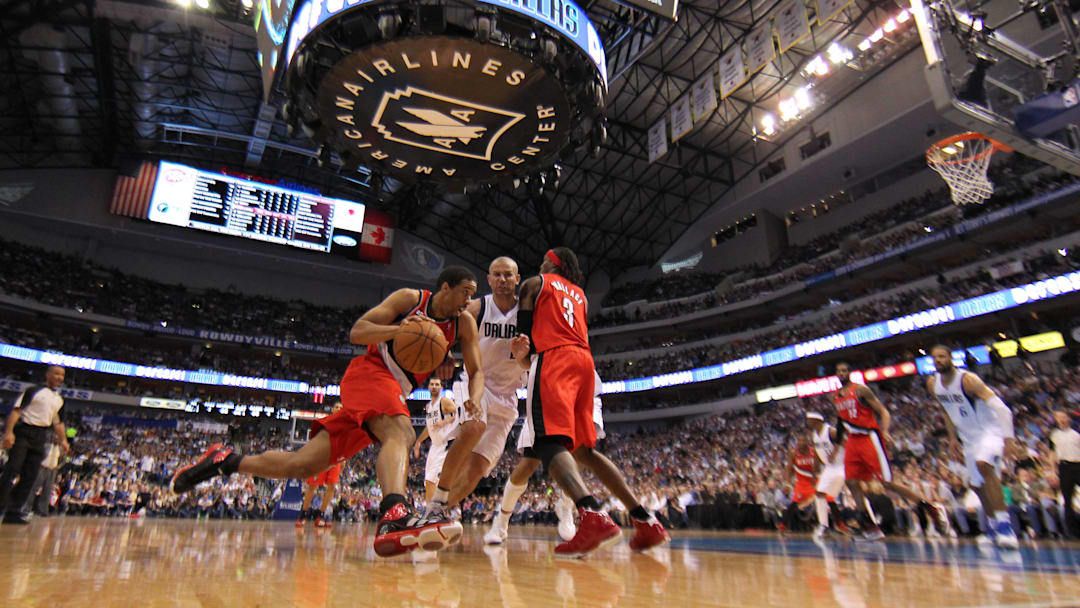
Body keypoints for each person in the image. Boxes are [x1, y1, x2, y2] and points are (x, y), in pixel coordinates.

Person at [170, 267, 485, 557]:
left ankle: (226, 460)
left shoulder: (463, 323)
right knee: (401, 432)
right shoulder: (410, 299)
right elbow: (357, 332)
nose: (469, 300)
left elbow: (476, 370)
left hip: (389, 393)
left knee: (300, 465)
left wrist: (474, 398)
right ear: (445, 287)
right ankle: (394, 514)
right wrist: (399, 330)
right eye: (466, 292)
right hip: (369, 374)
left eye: (473, 295)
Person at [511, 247, 621, 557]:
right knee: (576, 446)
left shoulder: (536, 283)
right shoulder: (581, 295)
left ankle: (591, 514)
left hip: (556, 358)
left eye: (545, 259)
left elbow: (525, 330)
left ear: (552, 263)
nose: (541, 262)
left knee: (546, 441)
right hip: (585, 363)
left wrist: (522, 343)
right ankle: (592, 517)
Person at [484, 369, 668, 551]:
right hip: (577, 373)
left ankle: (575, 507)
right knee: (560, 456)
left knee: (559, 449)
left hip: (557, 374)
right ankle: (643, 519)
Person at [436, 257, 529, 508]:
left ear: (517, 279)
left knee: (477, 468)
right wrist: (445, 353)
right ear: (489, 279)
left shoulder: (527, 314)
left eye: (508, 275)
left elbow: (532, 362)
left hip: (509, 395)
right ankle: (436, 499)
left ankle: (439, 512)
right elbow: (445, 327)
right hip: (477, 383)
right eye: (496, 274)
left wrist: (524, 357)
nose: (502, 279)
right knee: (473, 427)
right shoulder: (478, 308)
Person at [830, 361, 943, 540]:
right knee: (851, 482)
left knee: (887, 484)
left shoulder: (860, 390)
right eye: (839, 371)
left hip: (870, 437)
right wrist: (836, 448)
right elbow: (841, 423)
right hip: (852, 441)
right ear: (836, 374)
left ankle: (927, 506)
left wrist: (885, 430)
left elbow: (883, 412)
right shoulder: (834, 396)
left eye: (845, 370)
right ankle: (869, 526)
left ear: (850, 373)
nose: (842, 373)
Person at [927, 345, 1022, 549]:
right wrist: (953, 438)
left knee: (984, 465)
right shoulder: (933, 383)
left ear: (951, 358)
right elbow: (947, 411)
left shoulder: (968, 380)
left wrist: (1009, 440)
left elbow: (1003, 409)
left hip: (989, 432)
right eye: (935, 358)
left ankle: (1006, 528)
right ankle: (993, 527)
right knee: (977, 485)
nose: (938, 361)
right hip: (968, 438)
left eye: (942, 356)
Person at [0, 365, 70, 524]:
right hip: (24, 432)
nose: (59, 377)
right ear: (48, 374)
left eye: (62, 375)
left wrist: (64, 441)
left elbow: (58, 423)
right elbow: (16, 412)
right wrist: (9, 432)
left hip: (41, 435)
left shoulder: (59, 399)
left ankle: (14, 511)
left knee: (30, 475)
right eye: (56, 373)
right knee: (12, 469)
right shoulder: (33, 391)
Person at [297, 401, 346, 528]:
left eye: (341, 407)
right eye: (336, 407)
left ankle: (321, 515)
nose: (339, 409)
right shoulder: (325, 422)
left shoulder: (346, 426)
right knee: (312, 487)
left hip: (336, 459)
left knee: (331, 488)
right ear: (332, 410)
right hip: (322, 457)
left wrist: (344, 459)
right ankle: (303, 515)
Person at [413, 377, 459, 503]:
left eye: (437, 384)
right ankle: (430, 511)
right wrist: (419, 441)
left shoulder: (444, 401)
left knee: (434, 480)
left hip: (446, 444)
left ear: (441, 388)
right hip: (435, 445)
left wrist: (444, 421)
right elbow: (429, 428)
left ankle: (437, 510)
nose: (434, 386)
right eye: (432, 384)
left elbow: (458, 415)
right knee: (428, 481)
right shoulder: (429, 406)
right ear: (428, 387)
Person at [806, 412, 848, 539]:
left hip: (842, 465)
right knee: (819, 493)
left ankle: (870, 522)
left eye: (809, 420)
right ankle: (824, 526)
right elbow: (817, 456)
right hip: (829, 468)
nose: (807, 422)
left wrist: (836, 452)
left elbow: (846, 442)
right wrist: (814, 474)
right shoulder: (814, 435)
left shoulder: (831, 431)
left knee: (852, 494)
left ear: (817, 420)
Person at [1049, 409, 1080, 537]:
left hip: (1077, 464)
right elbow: (1052, 453)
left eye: (1063, 417)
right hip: (1064, 466)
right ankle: (1073, 532)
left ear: (1069, 419)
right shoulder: (1054, 435)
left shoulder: (1076, 433)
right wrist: (1053, 470)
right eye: (1058, 417)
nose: (1061, 419)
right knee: (1067, 499)